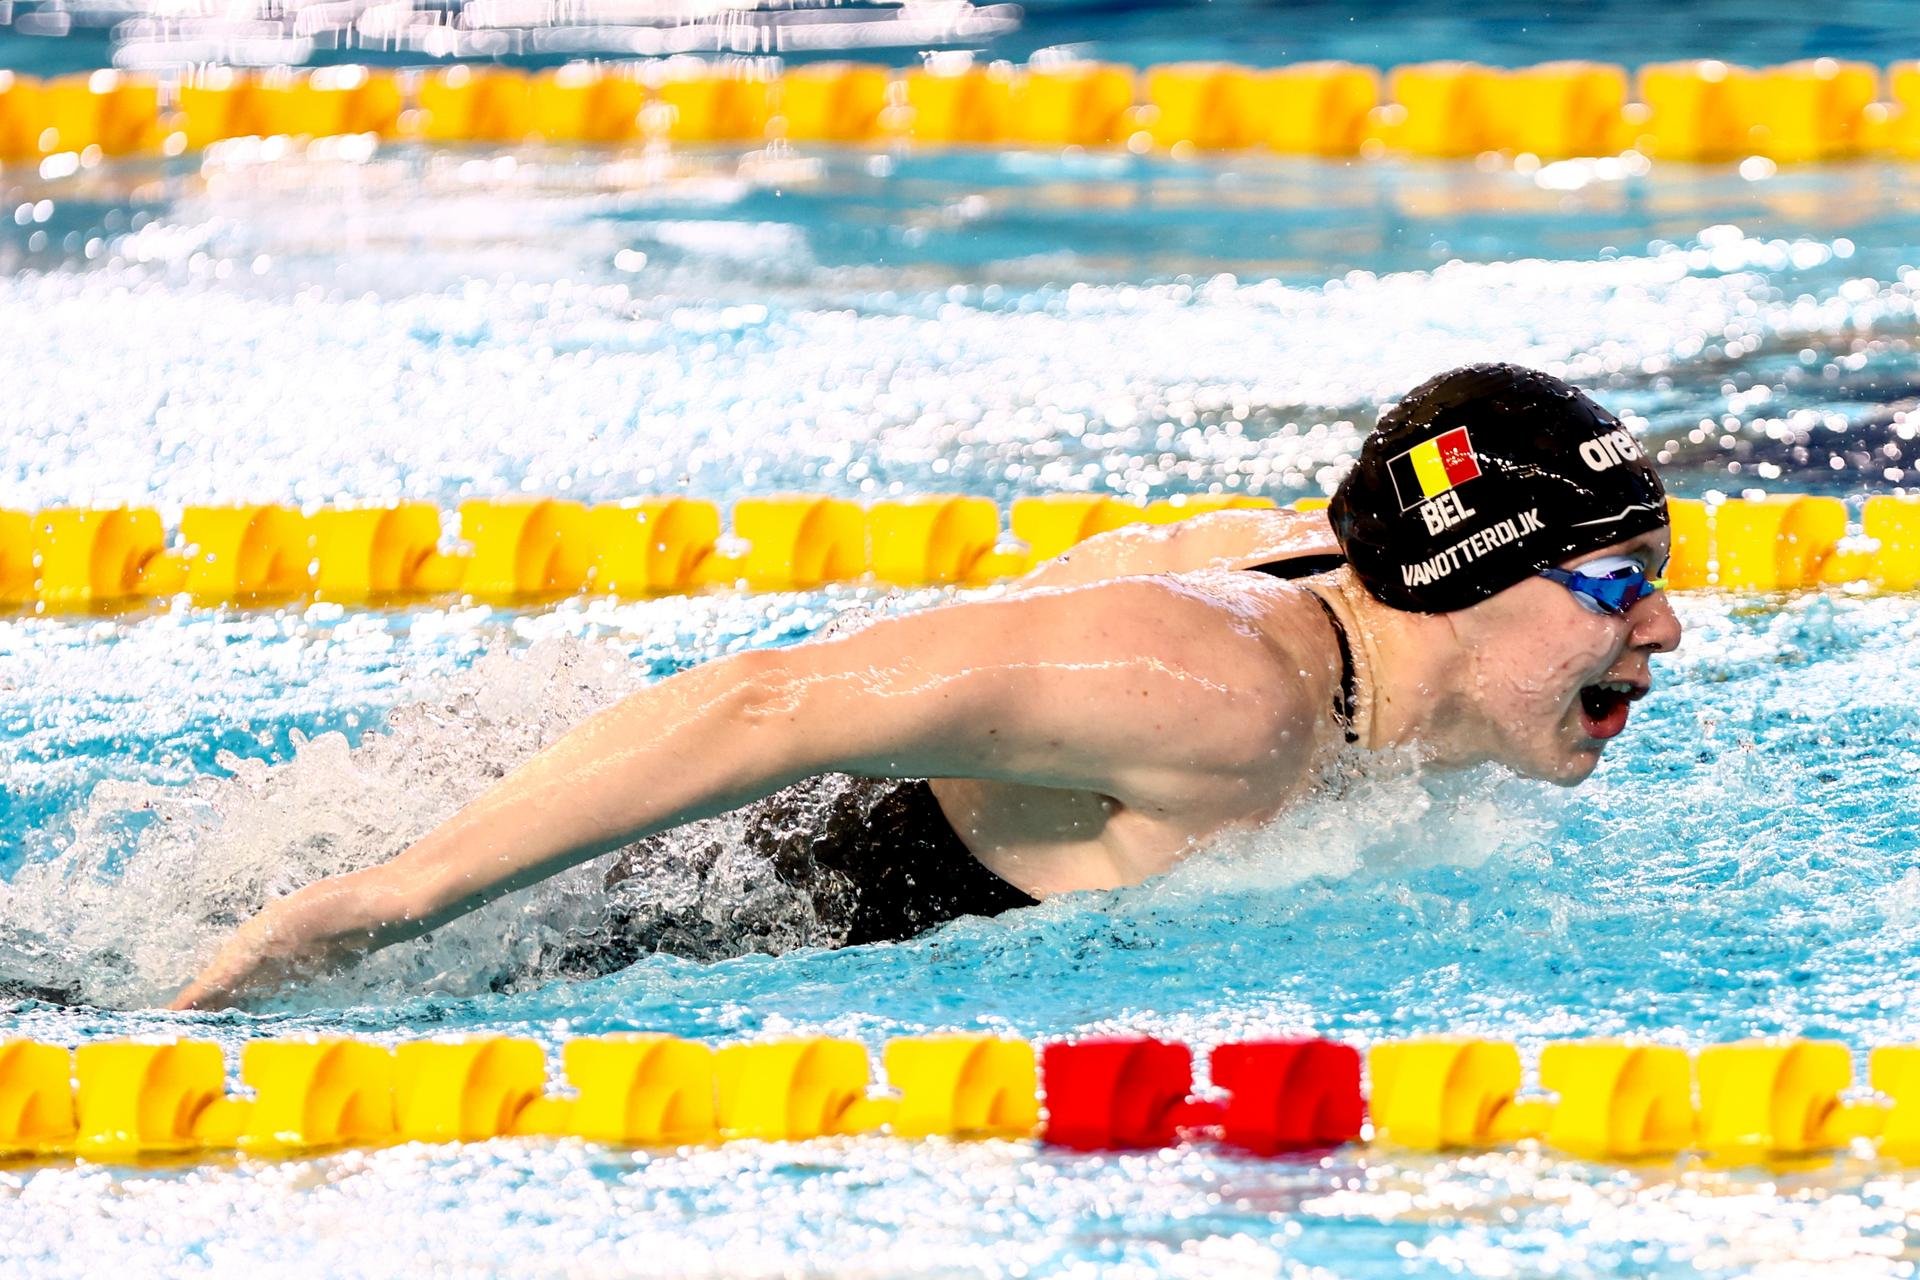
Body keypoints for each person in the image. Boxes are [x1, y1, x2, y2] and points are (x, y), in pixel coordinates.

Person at [170, 363, 1681, 1009]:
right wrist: (396, 898)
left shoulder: (1358, 615)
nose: (1664, 629)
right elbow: (779, 703)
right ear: (1465, 582)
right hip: (676, 914)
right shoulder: (1214, 693)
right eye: (1617, 583)